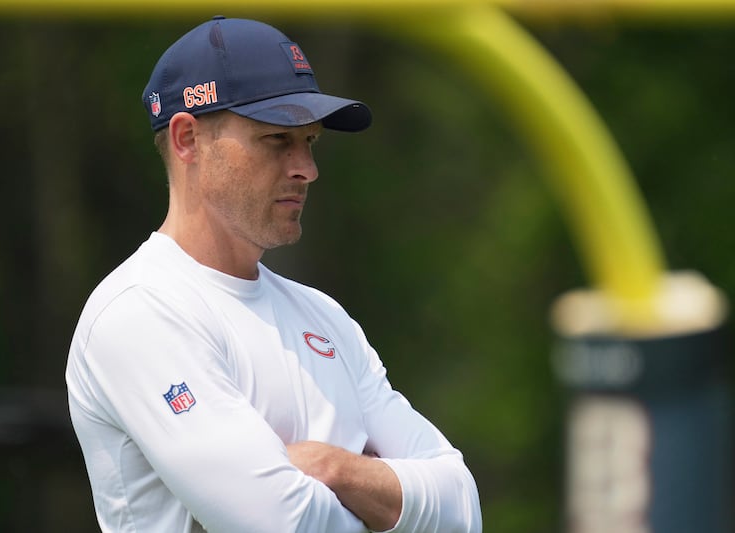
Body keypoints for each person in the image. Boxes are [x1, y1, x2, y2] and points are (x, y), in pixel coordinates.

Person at [66, 16, 482, 533]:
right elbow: (277, 523)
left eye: (309, 141)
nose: (306, 168)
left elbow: (462, 508)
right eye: (277, 139)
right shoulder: (138, 310)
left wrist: (335, 469)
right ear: (187, 138)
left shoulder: (324, 316)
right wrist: (391, 500)